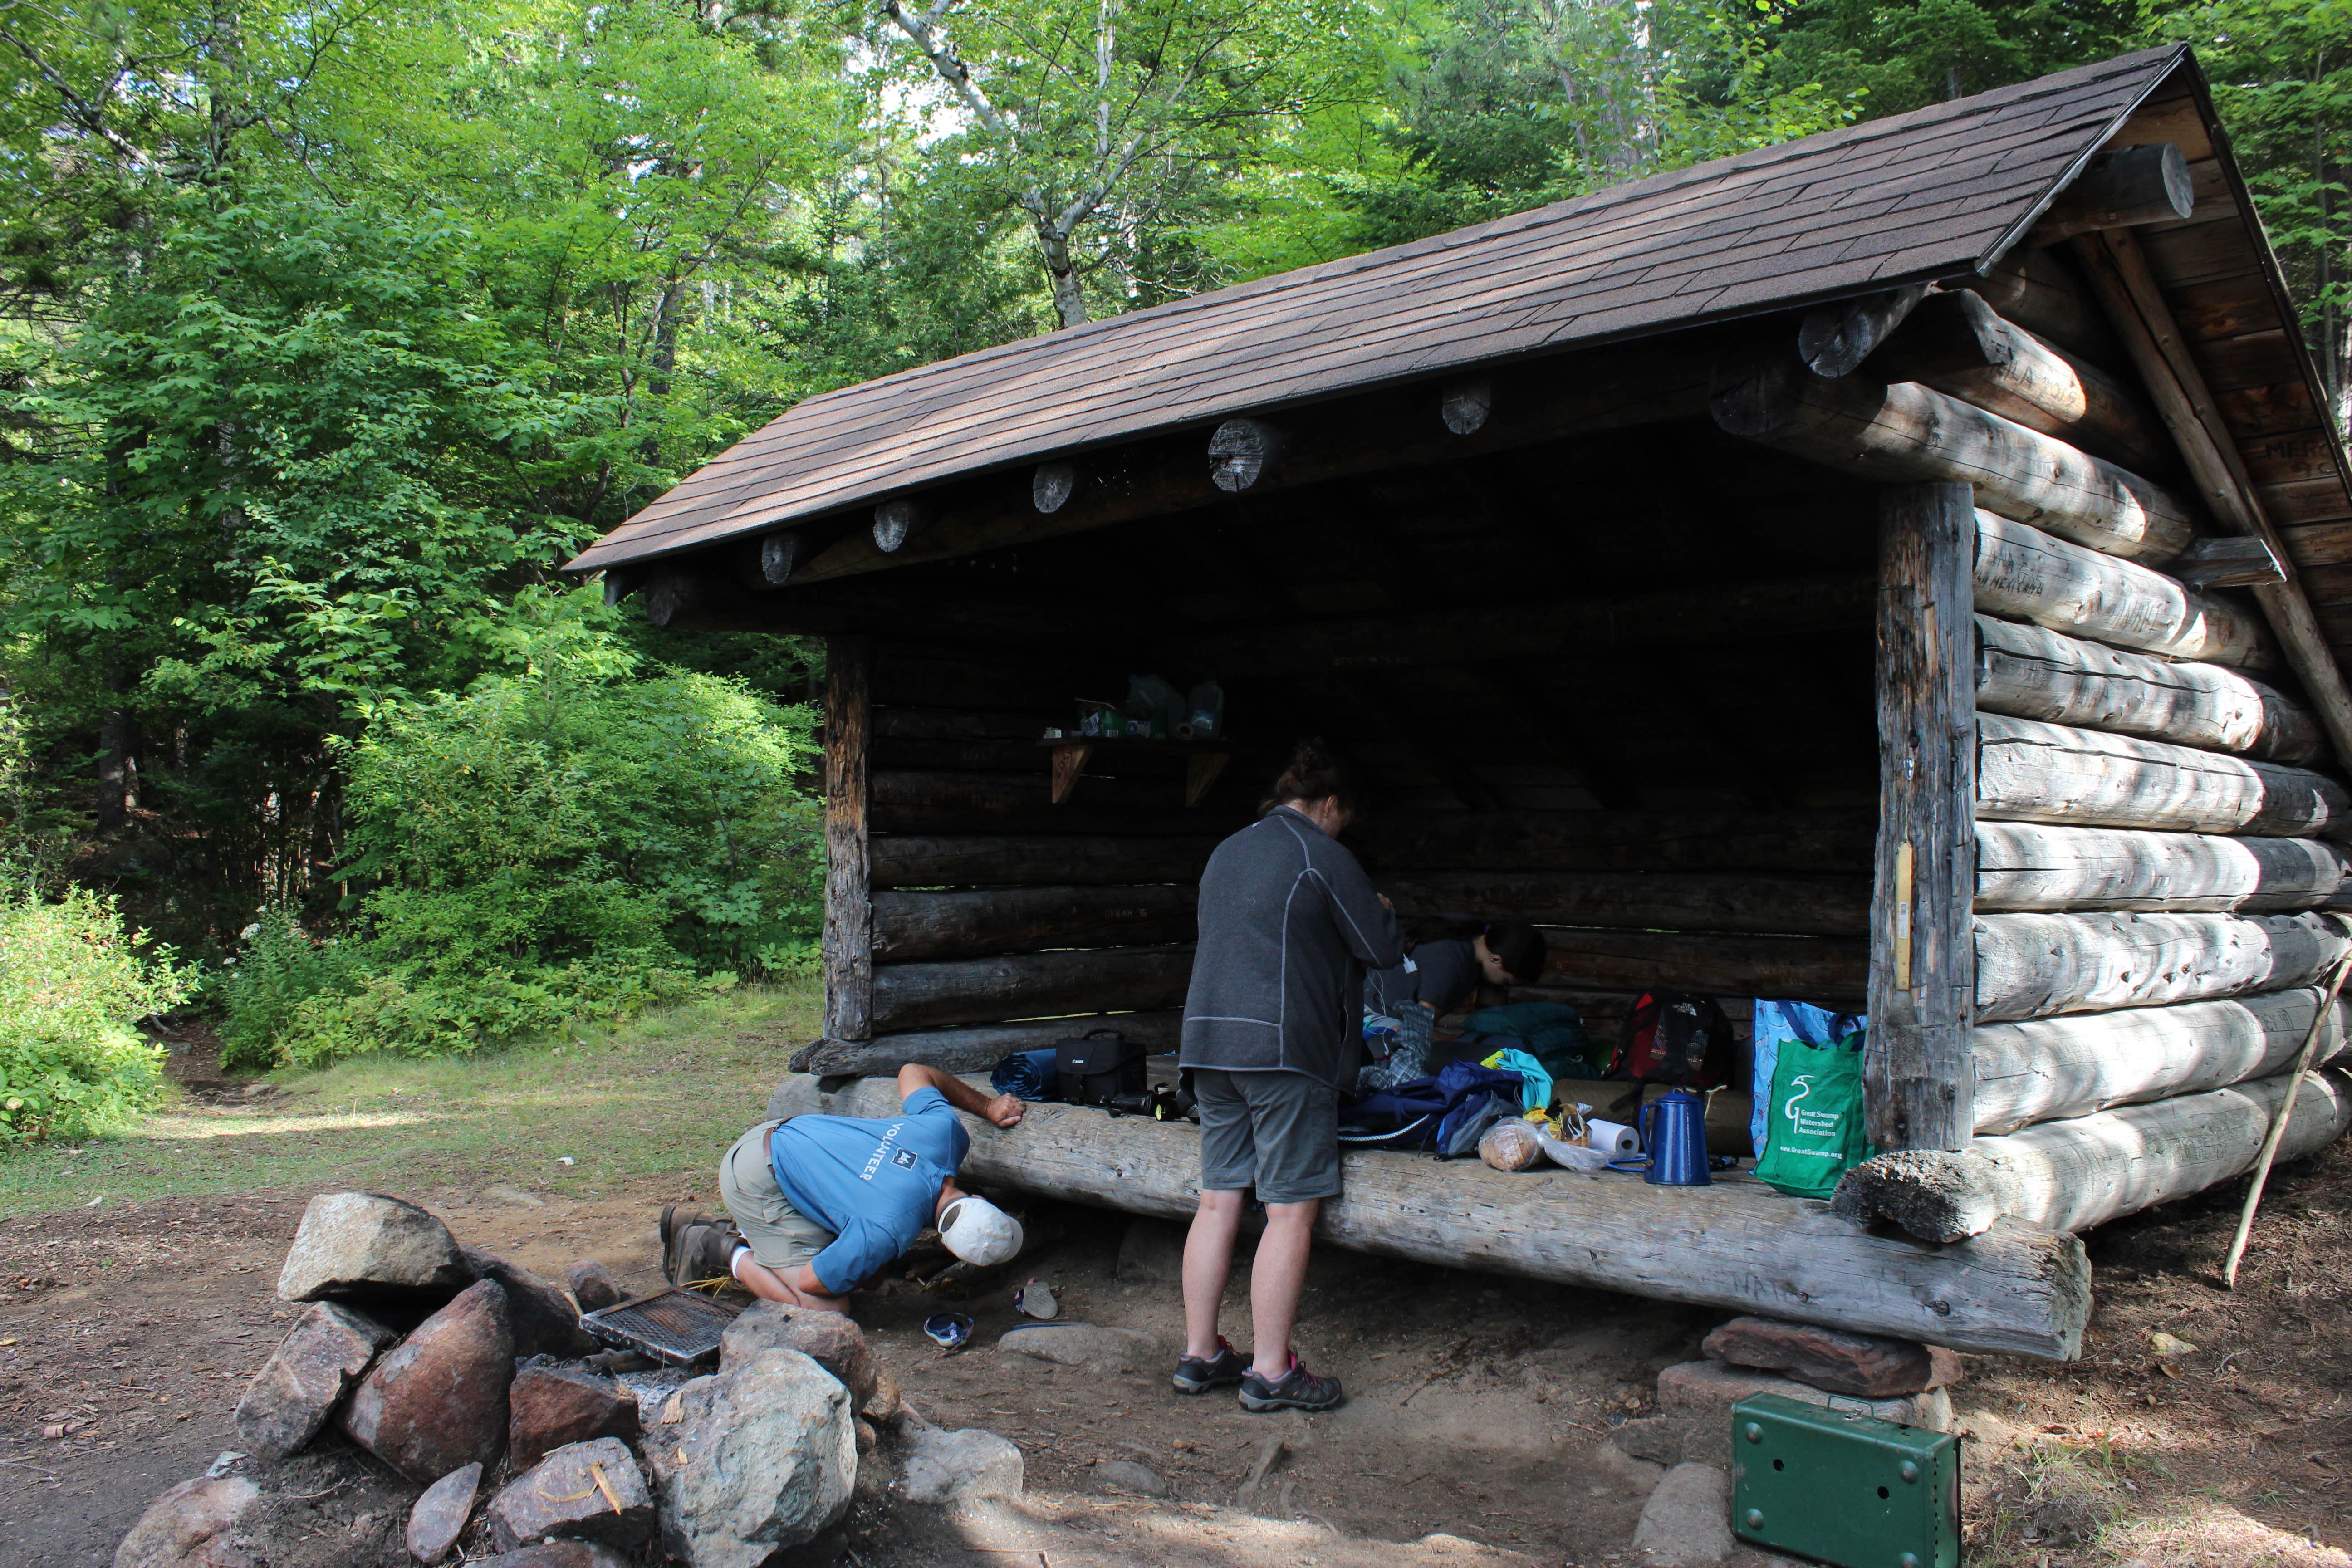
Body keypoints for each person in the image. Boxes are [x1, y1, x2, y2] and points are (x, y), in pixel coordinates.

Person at [1174, 739, 1403, 1413]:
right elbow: (1381, 949)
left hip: (1207, 1044)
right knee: (1289, 1211)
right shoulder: (1320, 854)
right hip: (1281, 1051)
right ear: (1329, 805)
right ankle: (1272, 1370)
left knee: (1217, 1201)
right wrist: (1383, 907)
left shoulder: (1228, 851)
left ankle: (1200, 1354)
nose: (1342, 831)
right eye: (1343, 819)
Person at [662, 1063, 1027, 1313]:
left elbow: (913, 1072)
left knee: (865, 1270)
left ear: (978, 1199)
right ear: (947, 1244)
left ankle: (758, 1235)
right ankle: (717, 1246)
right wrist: (860, 1267)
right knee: (825, 1310)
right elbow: (811, 1281)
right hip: (754, 1176)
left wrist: (988, 1106)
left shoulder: (946, 1135)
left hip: (787, 1133)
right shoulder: (886, 1230)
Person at [1366, 921, 1549, 1020]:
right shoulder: (1451, 965)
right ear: (1495, 959)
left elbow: (1490, 1016)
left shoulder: (1475, 937)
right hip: (1374, 1016)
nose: (1505, 988)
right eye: (1506, 982)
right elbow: (1418, 1032)